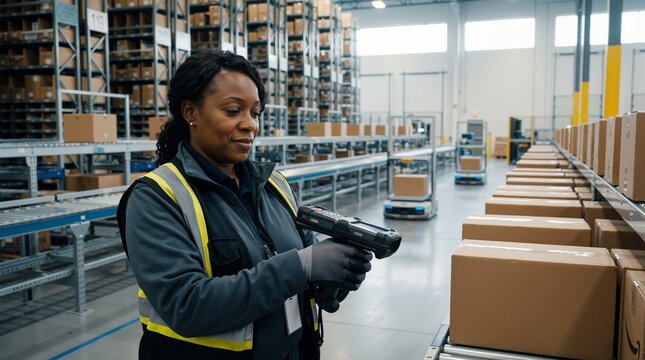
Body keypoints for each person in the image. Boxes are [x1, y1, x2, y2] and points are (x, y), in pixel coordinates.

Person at [116, 50, 373, 360]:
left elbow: (302, 268)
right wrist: (302, 265)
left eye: (255, 112)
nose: (250, 124)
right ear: (190, 112)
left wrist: (334, 278)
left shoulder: (273, 185)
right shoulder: (157, 197)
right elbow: (186, 305)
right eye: (233, 110)